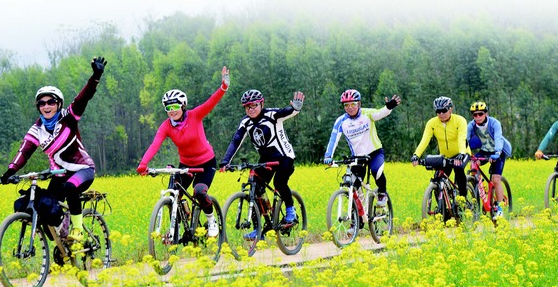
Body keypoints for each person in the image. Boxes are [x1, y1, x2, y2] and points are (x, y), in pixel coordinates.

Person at [0, 57, 108, 242]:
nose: (46, 106)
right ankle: (62, 245)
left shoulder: (68, 117)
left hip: (82, 170)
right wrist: (10, 171)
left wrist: (96, 76)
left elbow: (84, 98)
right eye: (42, 103)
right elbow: (24, 152)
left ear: (58, 104)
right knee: (45, 208)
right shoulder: (37, 130)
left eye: (51, 102)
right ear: (38, 107)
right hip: (59, 175)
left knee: (70, 187)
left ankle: (78, 229)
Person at [136, 67, 230, 238]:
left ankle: (211, 220)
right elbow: (155, 144)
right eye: (167, 107)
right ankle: (178, 227)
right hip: (186, 164)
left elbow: (211, 102)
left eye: (174, 106)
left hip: (206, 163)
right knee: (174, 192)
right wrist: (144, 164)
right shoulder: (166, 126)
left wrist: (223, 87)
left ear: (183, 105)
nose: (171, 110)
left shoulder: (195, 115)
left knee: (200, 191)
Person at [220, 89, 305, 240]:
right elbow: (236, 141)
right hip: (266, 160)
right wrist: (226, 161)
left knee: (279, 182)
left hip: (284, 157)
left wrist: (296, 108)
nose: (250, 109)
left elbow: (288, 112)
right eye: (247, 107)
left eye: (253, 105)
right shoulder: (245, 122)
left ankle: (290, 210)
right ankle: (259, 229)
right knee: (255, 187)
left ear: (261, 103)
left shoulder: (271, 115)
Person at [324, 89, 401, 211]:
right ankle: (357, 219)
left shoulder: (367, 113)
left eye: (353, 104)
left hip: (375, 153)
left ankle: (382, 193)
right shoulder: (341, 121)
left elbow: (379, 113)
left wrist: (388, 108)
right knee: (352, 185)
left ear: (359, 103)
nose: (350, 107)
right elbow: (333, 139)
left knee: (377, 171)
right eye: (346, 105)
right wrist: (328, 156)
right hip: (357, 157)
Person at [410, 96, 470, 199]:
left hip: (462, 152)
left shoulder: (460, 120)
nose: (441, 114)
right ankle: (443, 211)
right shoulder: (432, 123)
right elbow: (425, 140)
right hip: (445, 156)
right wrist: (416, 155)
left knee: (458, 168)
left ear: (450, 109)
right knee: (437, 179)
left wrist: (461, 153)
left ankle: (463, 199)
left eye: (444, 110)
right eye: (438, 111)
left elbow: (461, 138)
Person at [465, 101, 513, 219]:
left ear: (486, 113)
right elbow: (465, 139)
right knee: (473, 164)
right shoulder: (471, 125)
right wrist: (463, 153)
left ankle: (500, 208)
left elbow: (498, 137)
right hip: (485, 151)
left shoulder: (494, 123)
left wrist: (497, 152)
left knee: (495, 179)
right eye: (475, 115)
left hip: (499, 151)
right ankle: (479, 189)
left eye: (480, 114)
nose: (477, 117)